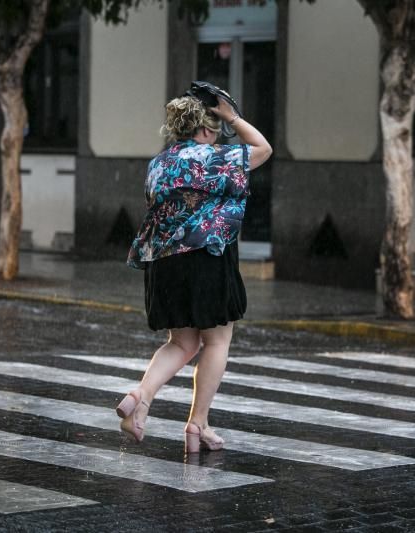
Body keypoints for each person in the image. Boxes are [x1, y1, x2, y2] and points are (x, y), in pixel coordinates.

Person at [118, 88, 272, 454]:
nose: (219, 134)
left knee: (182, 342)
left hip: (165, 262)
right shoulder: (217, 158)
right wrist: (233, 117)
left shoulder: (159, 163)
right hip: (207, 257)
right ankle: (198, 424)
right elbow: (264, 148)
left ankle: (141, 394)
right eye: (216, 128)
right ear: (205, 129)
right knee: (216, 341)